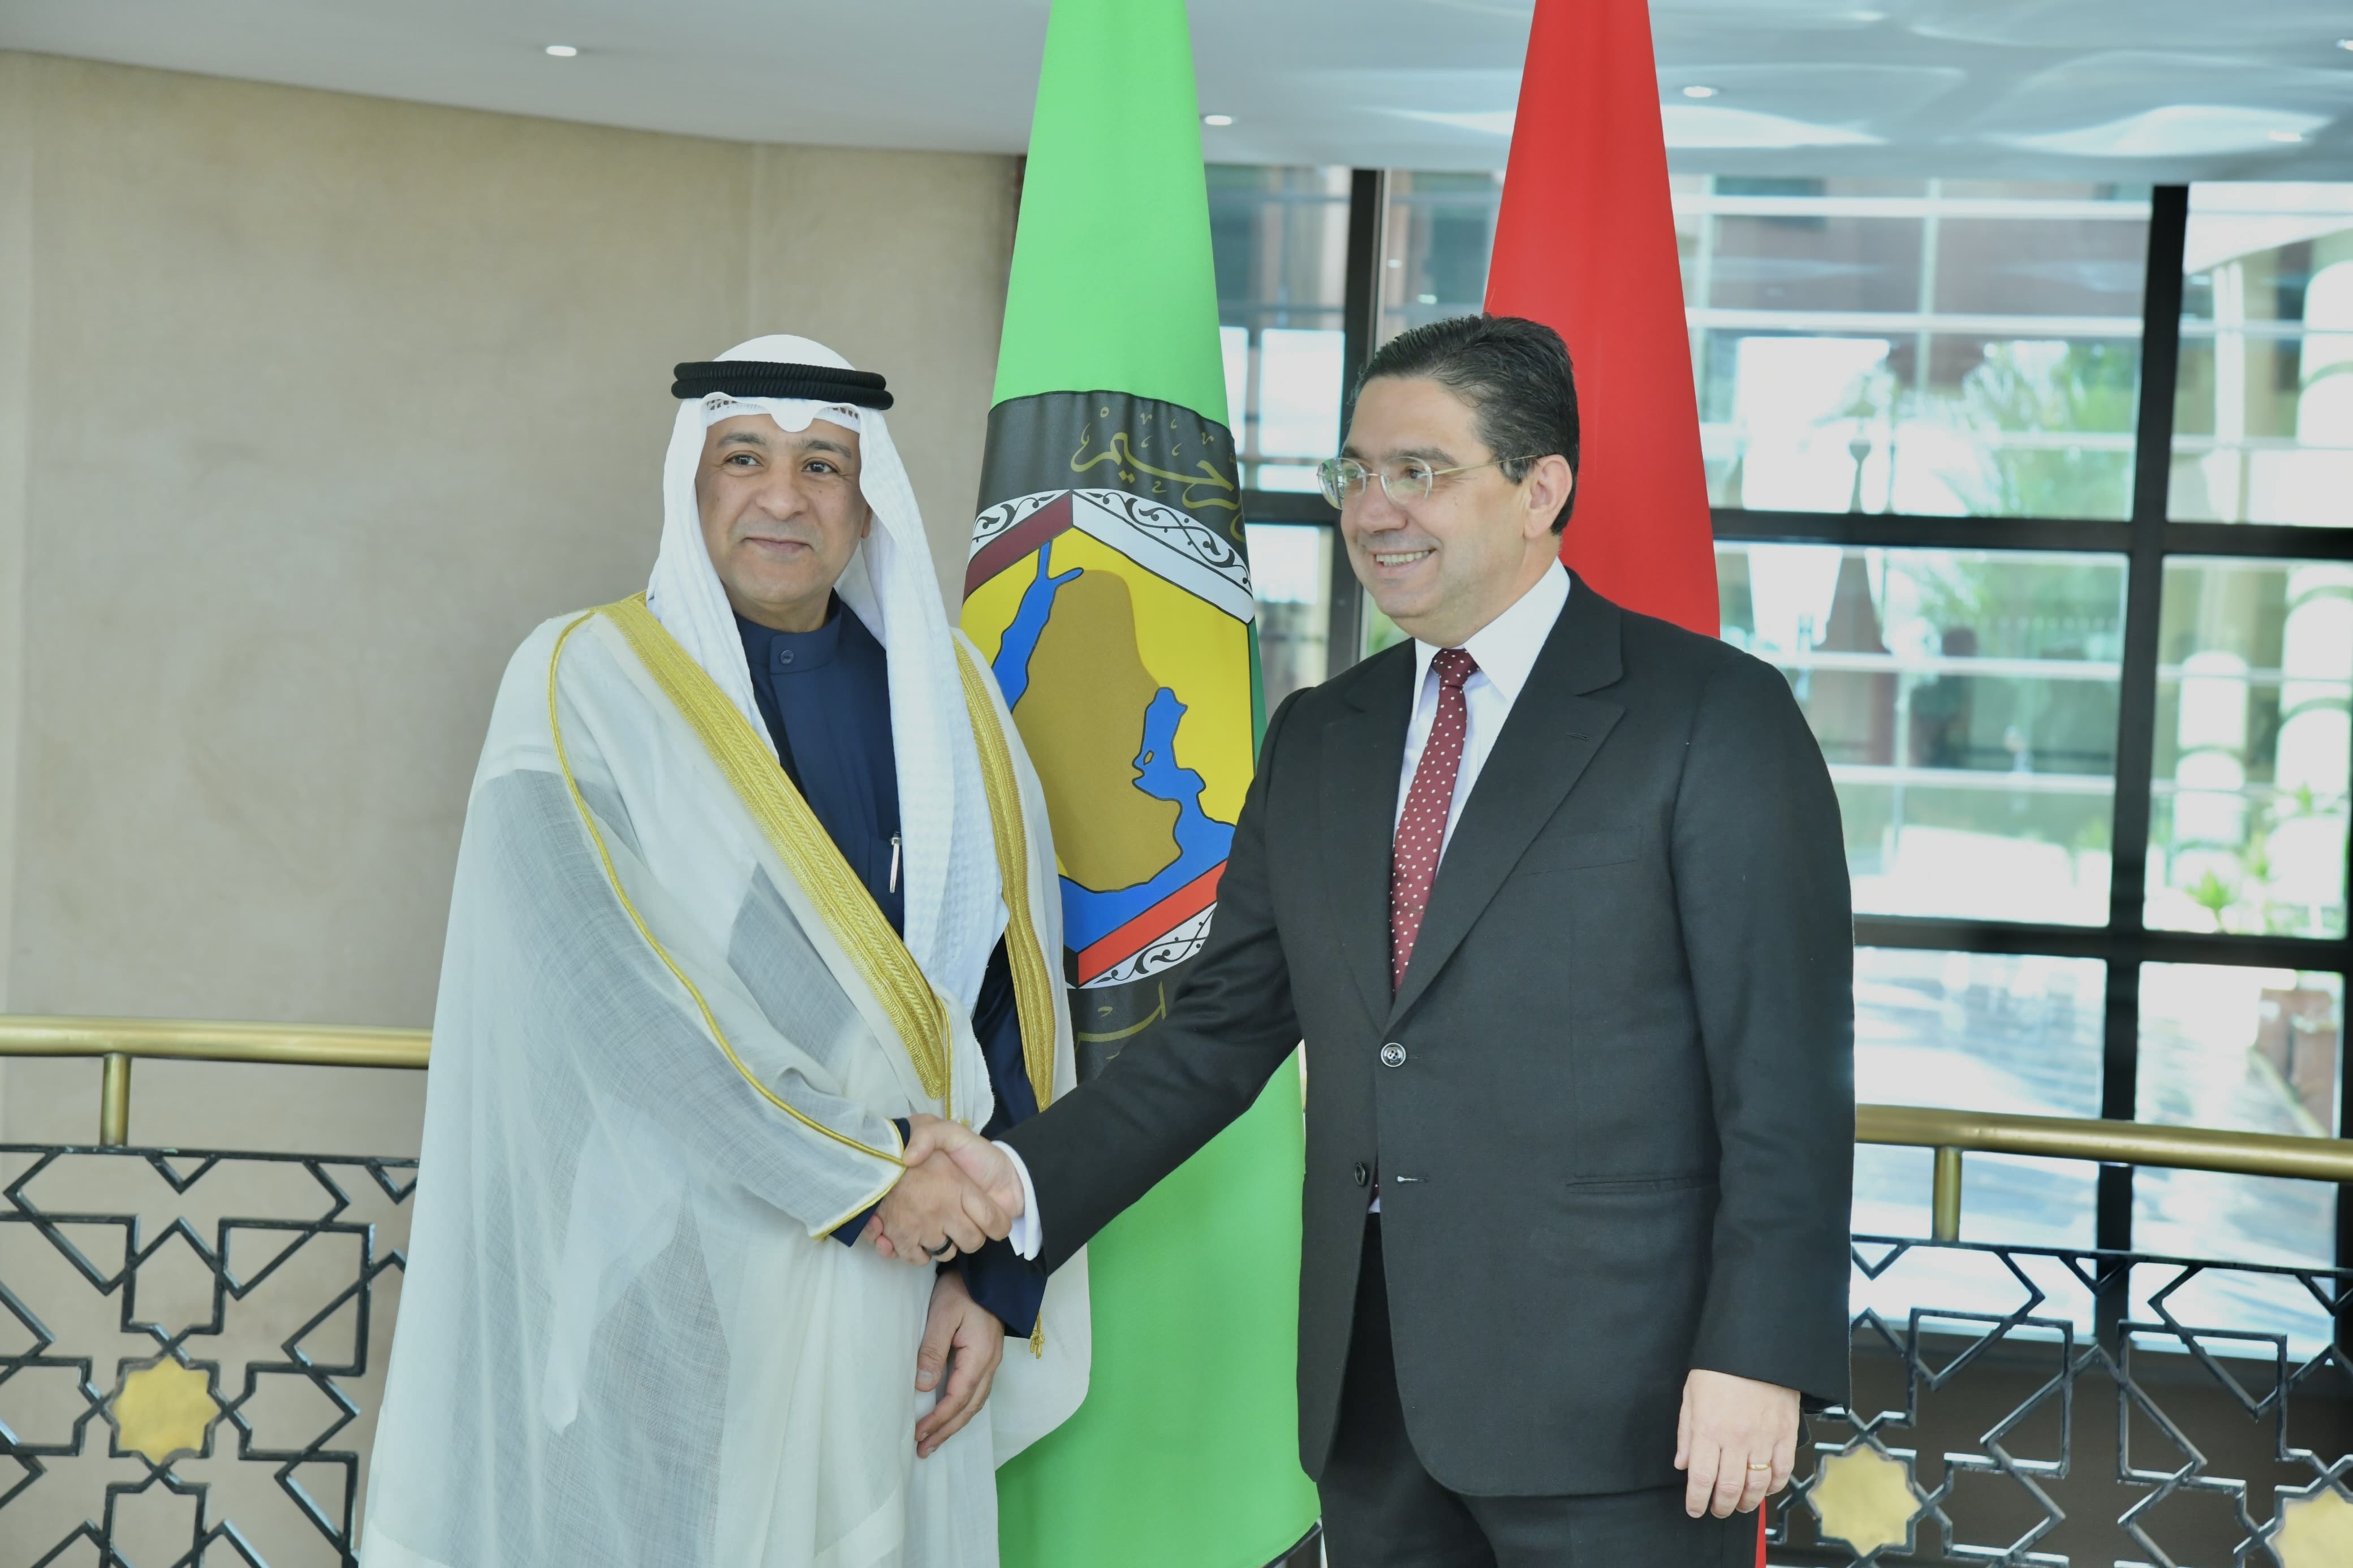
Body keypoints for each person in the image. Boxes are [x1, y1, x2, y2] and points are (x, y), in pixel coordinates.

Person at [915, 315, 1854, 1565]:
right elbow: (1214, 1039)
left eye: (1419, 471)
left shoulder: (1712, 717)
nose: (1372, 510)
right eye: (1354, 472)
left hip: (1631, 1411)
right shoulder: (1320, 735)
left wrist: (1759, 1352)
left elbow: (1785, 1079)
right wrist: (1012, 1185)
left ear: (1540, 490)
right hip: (1374, 1410)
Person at [363, 335, 1089, 1568]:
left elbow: (1004, 999)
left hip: (904, 1277)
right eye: (744, 457)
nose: (783, 497)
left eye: (824, 466)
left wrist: (990, 1282)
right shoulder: (582, 683)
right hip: (661, 1263)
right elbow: (612, 999)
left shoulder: (949, 694)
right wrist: (864, 1175)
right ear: (691, 483)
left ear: (869, 503)